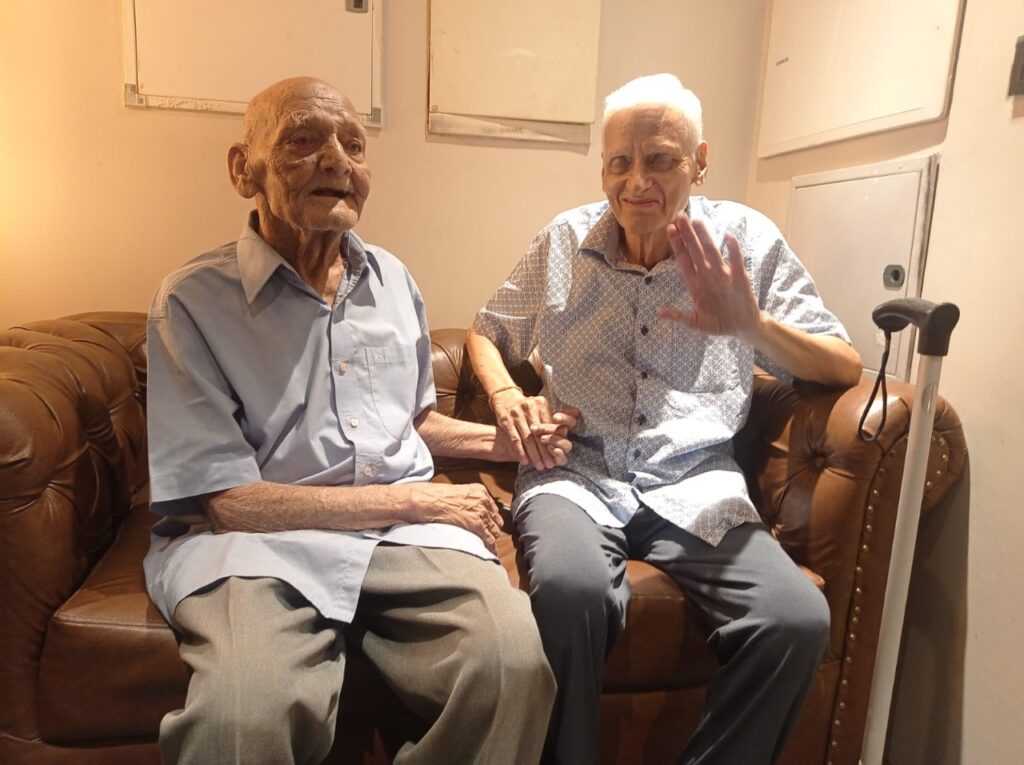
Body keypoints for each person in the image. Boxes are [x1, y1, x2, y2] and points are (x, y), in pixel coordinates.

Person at [144, 76, 577, 765]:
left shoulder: (392, 280)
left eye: (353, 144)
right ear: (243, 169)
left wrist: (511, 442)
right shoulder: (191, 301)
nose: (337, 161)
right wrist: (417, 500)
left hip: (399, 540)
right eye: (303, 140)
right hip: (259, 547)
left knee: (514, 667)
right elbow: (229, 502)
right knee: (241, 717)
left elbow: (411, 423)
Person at [467, 73, 863, 764]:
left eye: (660, 160)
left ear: (699, 162)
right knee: (568, 591)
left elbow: (843, 366)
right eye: (619, 162)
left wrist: (754, 326)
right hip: (575, 470)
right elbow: (485, 332)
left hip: (696, 480)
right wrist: (506, 396)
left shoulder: (746, 241)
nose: (636, 182)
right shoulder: (563, 241)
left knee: (795, 621)